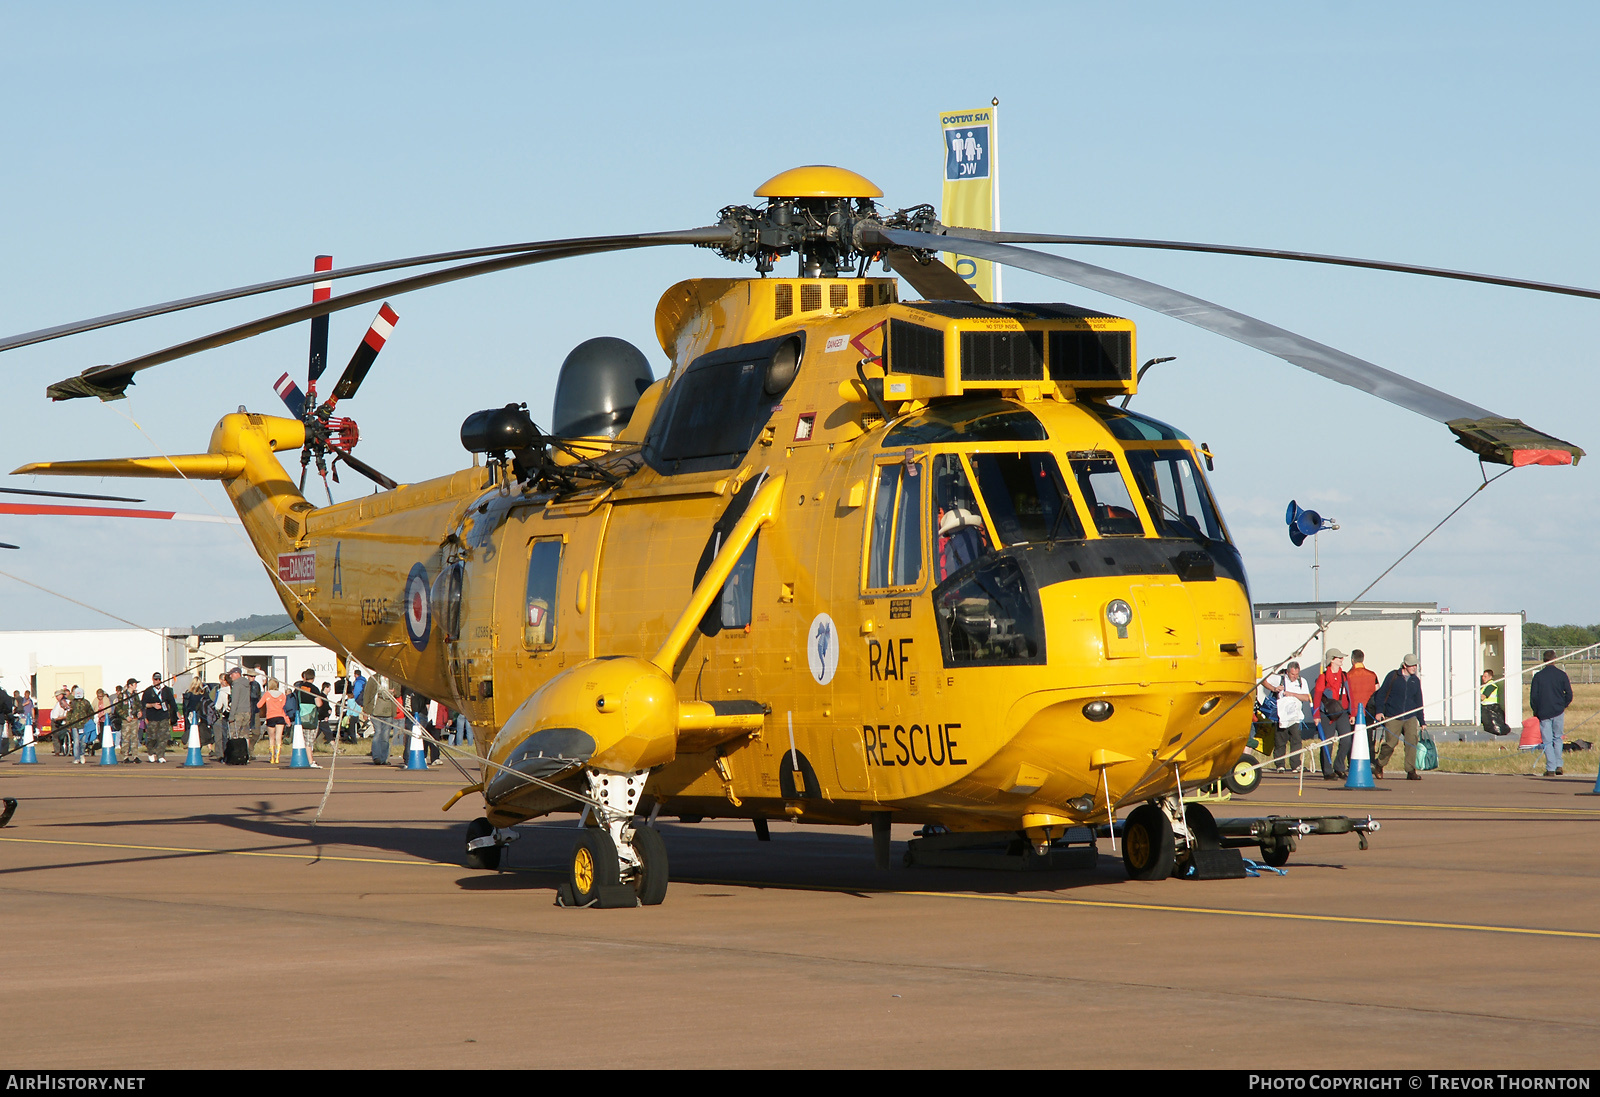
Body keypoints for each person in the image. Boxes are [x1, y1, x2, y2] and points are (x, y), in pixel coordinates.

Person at [1371, 654, 1425, 780]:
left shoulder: (1415, 681)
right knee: (1390, 744)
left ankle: (1411, 770)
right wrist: (1379, 711)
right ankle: (1379, 764)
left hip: (1410, 716)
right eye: (1411, 665)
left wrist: (1422, 721)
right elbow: (1381, 694)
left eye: (1415, 665)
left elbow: (1418, 702)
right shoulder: (1393, 676)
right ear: (1404, 665)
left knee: (1412, 742)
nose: (1414, 668)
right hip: (1393, 715)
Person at [1529, 651, 1574, 777]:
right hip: (1558, 711)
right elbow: (1569, 694)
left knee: (1547, 740)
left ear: (1544, 660)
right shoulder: (1561, 675)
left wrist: (1536, 711)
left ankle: (1551, 768)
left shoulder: (1538, 676)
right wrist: (1562, 706)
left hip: (1543, 712)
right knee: (1558, 738)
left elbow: (1533, 697)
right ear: (1555, 659)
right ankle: (1558, 764)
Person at [1312, 649, 1353, 780]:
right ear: (1331, 660)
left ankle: (1339, 767)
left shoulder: (1344, 676)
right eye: (1339, 657)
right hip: (1327, 714)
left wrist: (1352, 713)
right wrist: (1316, 715)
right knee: (1328, 743)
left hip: (1342, 713)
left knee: (1346, 740)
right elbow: (1317, 696)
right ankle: (1327, 771)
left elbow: (1350, 694)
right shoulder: (1323, 677)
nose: (1342, 659)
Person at [1265, 662, 1313, 772]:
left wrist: (1292, 694)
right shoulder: (1280, 679)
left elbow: (1307, 697)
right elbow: (1263, 680)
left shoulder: (1302, 681)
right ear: (1287, 672)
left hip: (1296, 716)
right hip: (1282, 716)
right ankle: (1280, 765)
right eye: (1292, 674)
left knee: (1296, 740)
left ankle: (1296, 764)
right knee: (1280, 740)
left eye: (1296, 674)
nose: (1295, 676)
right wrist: (1274, 688)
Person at [1347, 649, 1381, 756]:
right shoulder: (1372, 675)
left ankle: (1352, 760)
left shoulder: (1348, 676)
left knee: (1353, 738)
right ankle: (1370, 759)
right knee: (1369, 737)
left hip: (1353, 712)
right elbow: (1377, 691)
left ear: (1352, 660)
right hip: (1369, 711)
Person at [141, 673, 177, 763]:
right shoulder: (148, 691)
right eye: (156, 679)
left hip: (163, 716)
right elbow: (143, 704)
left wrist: (176, 712)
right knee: (152, 737)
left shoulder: (166, 690)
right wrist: (152, 705)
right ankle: (151, 752)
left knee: (163, 737)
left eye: (159, 679)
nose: (157, 681)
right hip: (152, 717)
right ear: (153, 680)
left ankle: (160, 755)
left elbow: (172, 702)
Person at [257, 677, 289, 765]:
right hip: (280, 716)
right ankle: (277, 756)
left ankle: (272, 757)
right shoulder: (282, 695)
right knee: (279, 737)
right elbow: (283, 707)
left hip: (270, 717)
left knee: (271, 737)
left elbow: (259, 705)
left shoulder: (267, 694)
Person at [1480, 670, 1511, 738]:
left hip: (1490, 707)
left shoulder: (1491, 685)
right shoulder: (1485, 685)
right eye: (1483, 676)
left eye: (1485, 676)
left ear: (1490, 677)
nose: (1483, 678)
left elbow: (1482, 697)